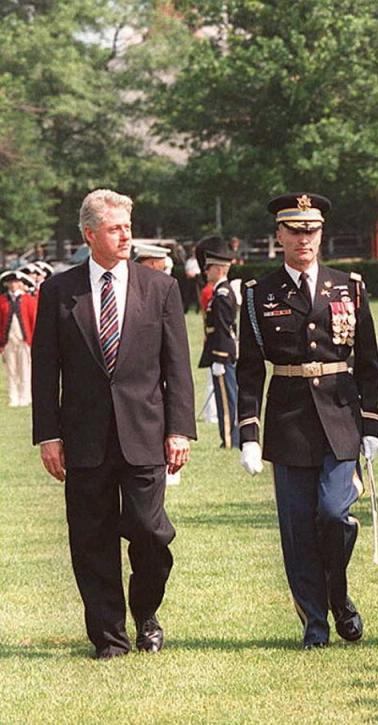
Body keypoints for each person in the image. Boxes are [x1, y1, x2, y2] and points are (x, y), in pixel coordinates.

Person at [31, 188, 195, 659]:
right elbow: (46, 368)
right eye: (115, 228)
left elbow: (176, 367)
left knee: (149, 532)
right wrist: (49, 434)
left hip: (146, 434)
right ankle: (109, 637)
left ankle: (146, 613)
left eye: (128, 226)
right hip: (83, 439)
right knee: (91, 541)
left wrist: (179, 429)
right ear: (89, 234)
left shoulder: (160, 288)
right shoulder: (59, 291)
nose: (126, 235)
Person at [236, 192, 378, 649]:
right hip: (289, 420)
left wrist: (371, 424)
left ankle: (338, 598)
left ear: (322, 234)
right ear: (279, 236)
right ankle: (315, 623)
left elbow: (369, 362)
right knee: (299, 530)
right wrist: (249, 435)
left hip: (340, 419)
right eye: (295, 231)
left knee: (334, 514)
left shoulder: (348, 286)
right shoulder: (259, 293)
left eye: (312, 230)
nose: (304, 239)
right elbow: (248, 369)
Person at [196, 236, 239, 449]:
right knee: (228, 396)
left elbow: (223, 328)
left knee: (226, 399)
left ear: (220, 269)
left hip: (222, 353)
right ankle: (232, 437)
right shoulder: (221, 292)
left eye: (209, 268)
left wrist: (220, 357)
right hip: (224, 351)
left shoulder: (222, 294)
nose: (206, 272)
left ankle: (230, 439)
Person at [0, 269, 37, 407]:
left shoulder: (28, 300)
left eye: (16, 282)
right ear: (7, 284)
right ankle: (13, 397)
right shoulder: (2, 300)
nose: (14, 285)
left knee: (25, 369)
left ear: (21, 284)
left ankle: (25, 396)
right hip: (9, 341)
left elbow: (33, 321)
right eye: (12, 282)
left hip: (24, 341)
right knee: (12, 371)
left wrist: (33, 341)